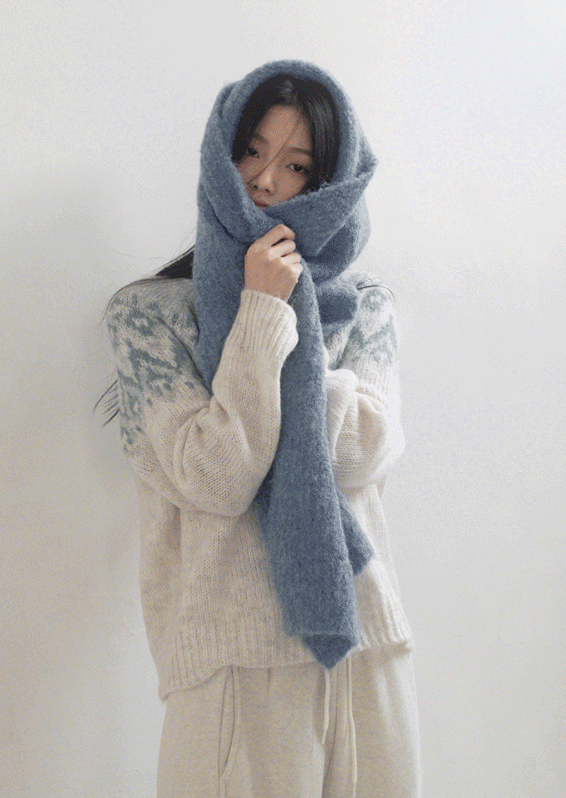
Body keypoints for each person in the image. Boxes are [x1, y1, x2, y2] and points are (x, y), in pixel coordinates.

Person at [105, 60, 421, 798]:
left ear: (329, 183)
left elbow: (367, 449)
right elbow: (214, 476)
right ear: (220, 154)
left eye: (297, 165)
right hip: (230, 661)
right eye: (250, 151)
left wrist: (292, 350)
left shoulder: (366, 305)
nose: (265, 181)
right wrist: (263, 314)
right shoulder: (149, 317)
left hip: (366, 644)